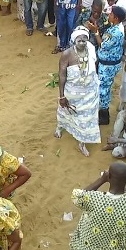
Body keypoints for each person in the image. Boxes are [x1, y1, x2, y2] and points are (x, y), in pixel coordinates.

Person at [56, 27, 101, 156]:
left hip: (89, 93)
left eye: (84, 40)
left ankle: (82, 142)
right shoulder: (67, 54)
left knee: (86, 119)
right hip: (72, 93)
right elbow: (62, 75)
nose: (82, 42)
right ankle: (59, 127)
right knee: (65, 111)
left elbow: (93, 70)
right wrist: (62, 96)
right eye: (79, 40)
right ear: (74, 40)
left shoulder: (91, 51)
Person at [89, 5, 126, 125]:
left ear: (116, 18)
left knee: (103, 90)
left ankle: (104, 116)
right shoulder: (116, 26)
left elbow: (102, 44)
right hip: (107, 63)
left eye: (111, 14)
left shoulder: (116, 32)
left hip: (108, 66)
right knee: (104, 87)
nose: (108, 15)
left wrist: (95, 32)